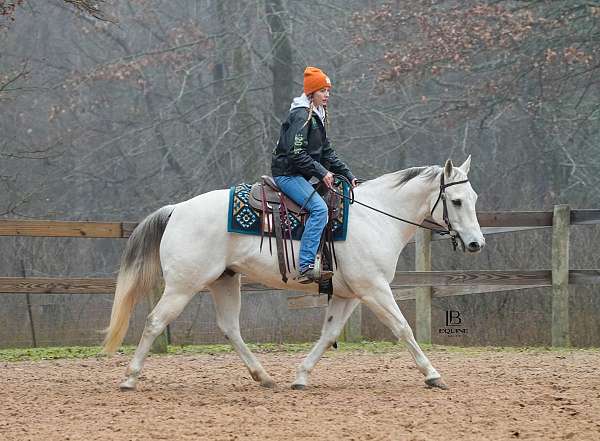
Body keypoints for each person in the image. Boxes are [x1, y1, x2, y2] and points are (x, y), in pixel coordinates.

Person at [271, 66, 357, 284]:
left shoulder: (317, 114)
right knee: (319, 210)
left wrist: (347, 174)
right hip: (287, 175)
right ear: (311, 93)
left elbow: (327, 151)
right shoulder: (301, 115)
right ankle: (306, 265)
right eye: (322, 91)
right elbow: (296, 153)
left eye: (328, 91)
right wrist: (322, 172)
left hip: (301, 175)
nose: (327, 95)